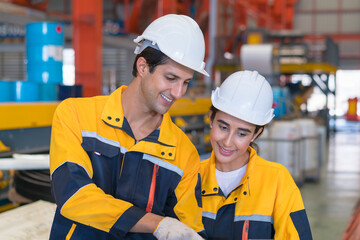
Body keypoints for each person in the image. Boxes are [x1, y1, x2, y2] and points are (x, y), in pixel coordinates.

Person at [49, 14, 208, 240]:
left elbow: (189, 231)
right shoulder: (76, 115)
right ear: (142, 66)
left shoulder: (184, 154)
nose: (178, 93)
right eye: (171, 78)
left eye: (186, 83)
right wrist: (157, 224)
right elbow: (73, 195)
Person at [199, 70, 313, 240]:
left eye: (242, 134)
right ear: (210, 119)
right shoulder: (191, 175)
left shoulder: (277, 181)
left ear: (256, 133)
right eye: (223, 127)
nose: (228, 142)